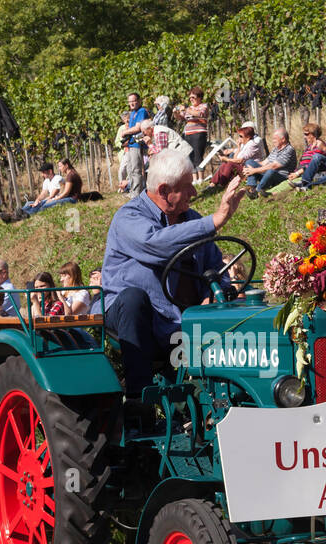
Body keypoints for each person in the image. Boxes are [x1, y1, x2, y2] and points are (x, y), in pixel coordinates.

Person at [102, 151, 245, 402]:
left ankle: (230, 400)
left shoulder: (192, 219)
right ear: (165, 190)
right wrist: (215, 220)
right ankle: (139, 400)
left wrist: (214, 293)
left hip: (183, 323)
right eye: (188, 186)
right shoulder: (129, 217)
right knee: (134, 299)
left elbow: (216, 268)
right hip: (137, 321)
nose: (194, 193)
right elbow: (158, 245)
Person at [244, 128, 296, 195]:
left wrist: (254, 170)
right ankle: (252, 187)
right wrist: (249, 168)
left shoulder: (289, 150)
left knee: (271, 170)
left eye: (275, 138)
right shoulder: (275, 149)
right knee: (249, 162)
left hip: (281, 177)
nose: (273, 141)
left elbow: (274, 166)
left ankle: (257, 190)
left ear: (283, 139)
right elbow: (263, 163)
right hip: (268, 174)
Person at [117, 93, 150, 197]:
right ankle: (132, 191)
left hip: (137, 144)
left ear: (139, 101)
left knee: (136, 169)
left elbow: (138, 128)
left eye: (134, 101)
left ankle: (137, 194)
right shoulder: (132, 113)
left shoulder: (141, 111)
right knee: (130, 169)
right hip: (131, 144)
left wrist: (124, 133)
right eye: (130, 101)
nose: (132, 103)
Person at [210, 121, 263, 186]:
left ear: (248, 135)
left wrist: (226, 159)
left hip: (250, 168)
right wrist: (238, 147)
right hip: (243, 166)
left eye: (241, 136)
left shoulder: (254, 143)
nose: (239, 138)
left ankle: (221, 184)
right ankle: (213, 183)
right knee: (226, 163)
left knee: (230, 163)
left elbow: (240, 160)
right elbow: (236, 158)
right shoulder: (246, 142)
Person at [176, 86, 211, 171]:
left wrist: (186, 109)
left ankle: (200, 179)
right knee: (190, 156)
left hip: (198, 134)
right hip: (188, 134)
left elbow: (200, 114)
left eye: (193, 97)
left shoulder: (204, 106)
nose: (191, 99)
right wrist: (175, 112)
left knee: (197, 156)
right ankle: (193, 178)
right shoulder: (190, 108)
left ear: (199, 97)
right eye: (190, 97)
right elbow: (181, 118)